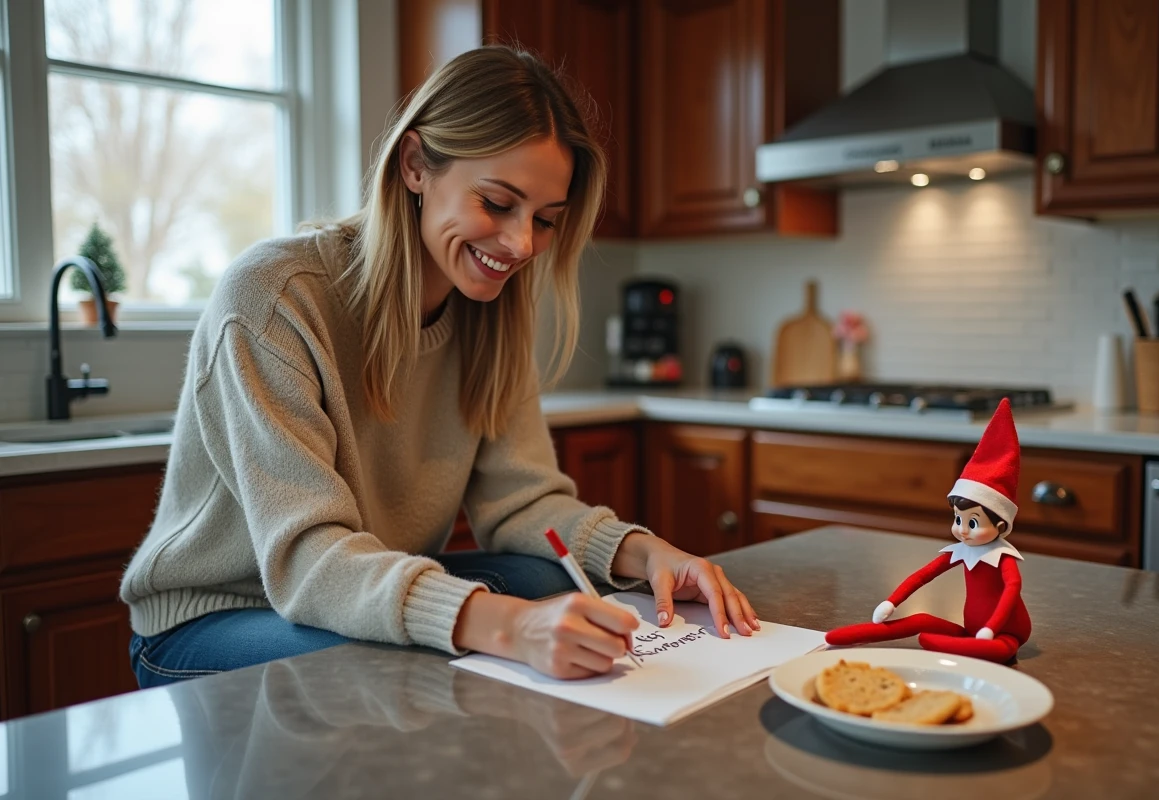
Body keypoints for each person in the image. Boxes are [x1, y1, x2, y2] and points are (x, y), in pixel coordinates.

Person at [121, 45, 760, 689]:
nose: (520, 245)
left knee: (548, 584)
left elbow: (523, 502)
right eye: (497, 202)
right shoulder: (273, 299)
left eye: (543, 220)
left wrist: (645, 552)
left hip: (354, 590)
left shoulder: (493, 311)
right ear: (416, 165)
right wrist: (509, 628)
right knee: (437, 657)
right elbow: (309, 560)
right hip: (219, 617)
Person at [824, 398, 1031, 663]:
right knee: (921, 620)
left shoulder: (1002, 557)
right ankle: (842, 636)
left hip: (1005, 633)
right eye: (958, 520)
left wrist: (992, 627)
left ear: (1001, 526)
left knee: (999, 651)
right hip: (971, 630)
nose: (962, 531)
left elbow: (1013, 588)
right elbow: (922, 576)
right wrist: (891, 602)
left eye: (973, 522)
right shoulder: (962, 551)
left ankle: (940, 644)